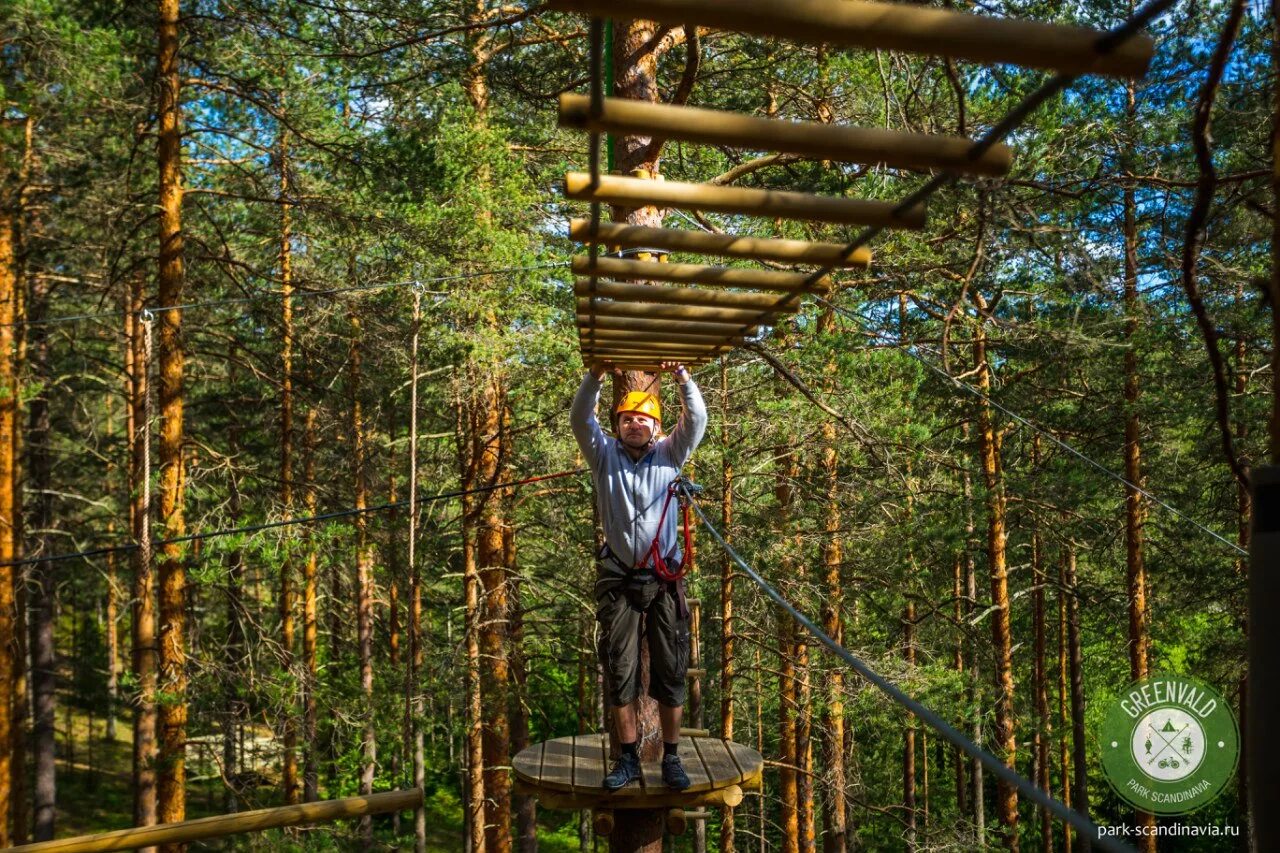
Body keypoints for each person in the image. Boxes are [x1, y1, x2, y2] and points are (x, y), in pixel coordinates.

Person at [570, 360, 708, 791]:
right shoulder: (602, 455)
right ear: (617, 425)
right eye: (628, 419)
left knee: (670, 670)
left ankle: (671, 757)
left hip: (664, 581)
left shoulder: (670, 454)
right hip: (619, 580)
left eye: (643, 419)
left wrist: (683, 378)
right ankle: (627, 758)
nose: (634, 425)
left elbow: (697, 419)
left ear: (657, 427)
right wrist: (594, 376)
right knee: (621, 669)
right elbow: (580, 418)